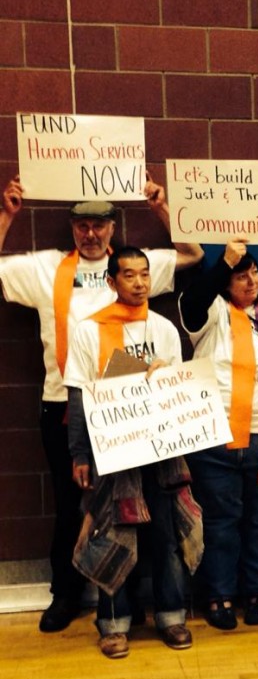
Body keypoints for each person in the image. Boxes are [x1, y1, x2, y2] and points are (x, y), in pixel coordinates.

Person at [0, 175, 203, 633]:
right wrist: (9, 216)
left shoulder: (137, 265)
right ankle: (67, 597)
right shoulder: (46, 267)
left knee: (145, 511)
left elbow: (193, 255)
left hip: (137, 417)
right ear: (73, 229)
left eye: (100, 224)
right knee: (76, 507)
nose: (91, 233)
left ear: (113, 228)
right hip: (66, 406)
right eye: (82, 225)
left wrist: (160, 209)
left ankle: (150, 607)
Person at [64, 247, 202, 659]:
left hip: (161, 451)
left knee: (166, 536)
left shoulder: (164, 329)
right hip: (113, 455)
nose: (140, 282)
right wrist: (80, 454)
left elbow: (181, 391)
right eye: (129, 275)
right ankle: (113, 624)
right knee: (113, 535)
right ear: (111, 281)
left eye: (144, 274)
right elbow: (77, 395)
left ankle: (171, 614)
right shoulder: (89, 330)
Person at [179, 239, 258, 630]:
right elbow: (192, 301)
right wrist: (222, 264)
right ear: (225, 282)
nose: (249, 281)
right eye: (239, 275)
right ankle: (219, 594)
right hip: (217, 437)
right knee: (220, 519)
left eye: (253, 273)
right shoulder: (213, 310)